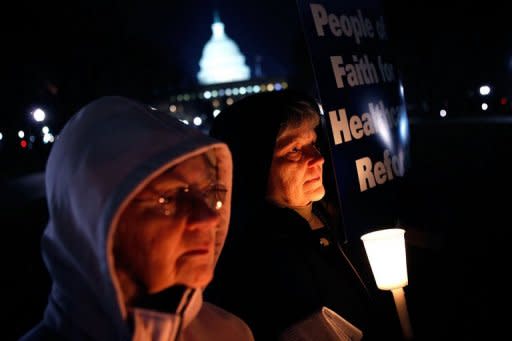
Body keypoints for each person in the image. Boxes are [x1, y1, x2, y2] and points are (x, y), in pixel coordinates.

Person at [19, 96, 254, 341]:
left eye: (209, 194)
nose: (209, 218)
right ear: (91, 224)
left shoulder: (230, 333)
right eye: (168, 198)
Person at [205, 90, 402, 340]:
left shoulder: (328, 217)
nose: (318, 159)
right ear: (253, 166)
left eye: (313, 143)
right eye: (295, 150)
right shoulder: (255, 261)